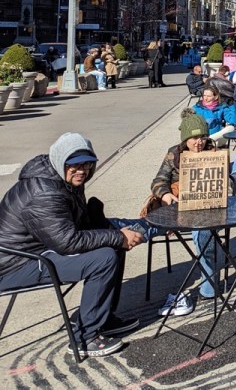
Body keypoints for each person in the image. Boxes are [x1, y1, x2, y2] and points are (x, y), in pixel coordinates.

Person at [0, 133, 145, 358]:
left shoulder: (62, 179)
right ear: (61, 162)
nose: (82, 171)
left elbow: (73, 227)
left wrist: (101, 221)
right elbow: (67, 242)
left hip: (39, 249)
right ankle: (86, 338)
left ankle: (103, 318)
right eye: (74, 166)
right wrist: (117, 236)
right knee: (105, 257)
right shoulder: (44, 192)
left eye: (87, 164)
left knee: (114, 244)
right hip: (15, 264)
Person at [149, 111, 223, 314]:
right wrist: (165, 194)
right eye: (194, 138)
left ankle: (209, 286)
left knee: (203, 233)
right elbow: (157, 182)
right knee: (145, 229)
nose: (199, 142)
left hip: (207, 207)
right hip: (178, 206)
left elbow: (223, 181)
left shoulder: (213, 151)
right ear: (185, 139)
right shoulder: (174, 154)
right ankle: (219, 257)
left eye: (202, 137)